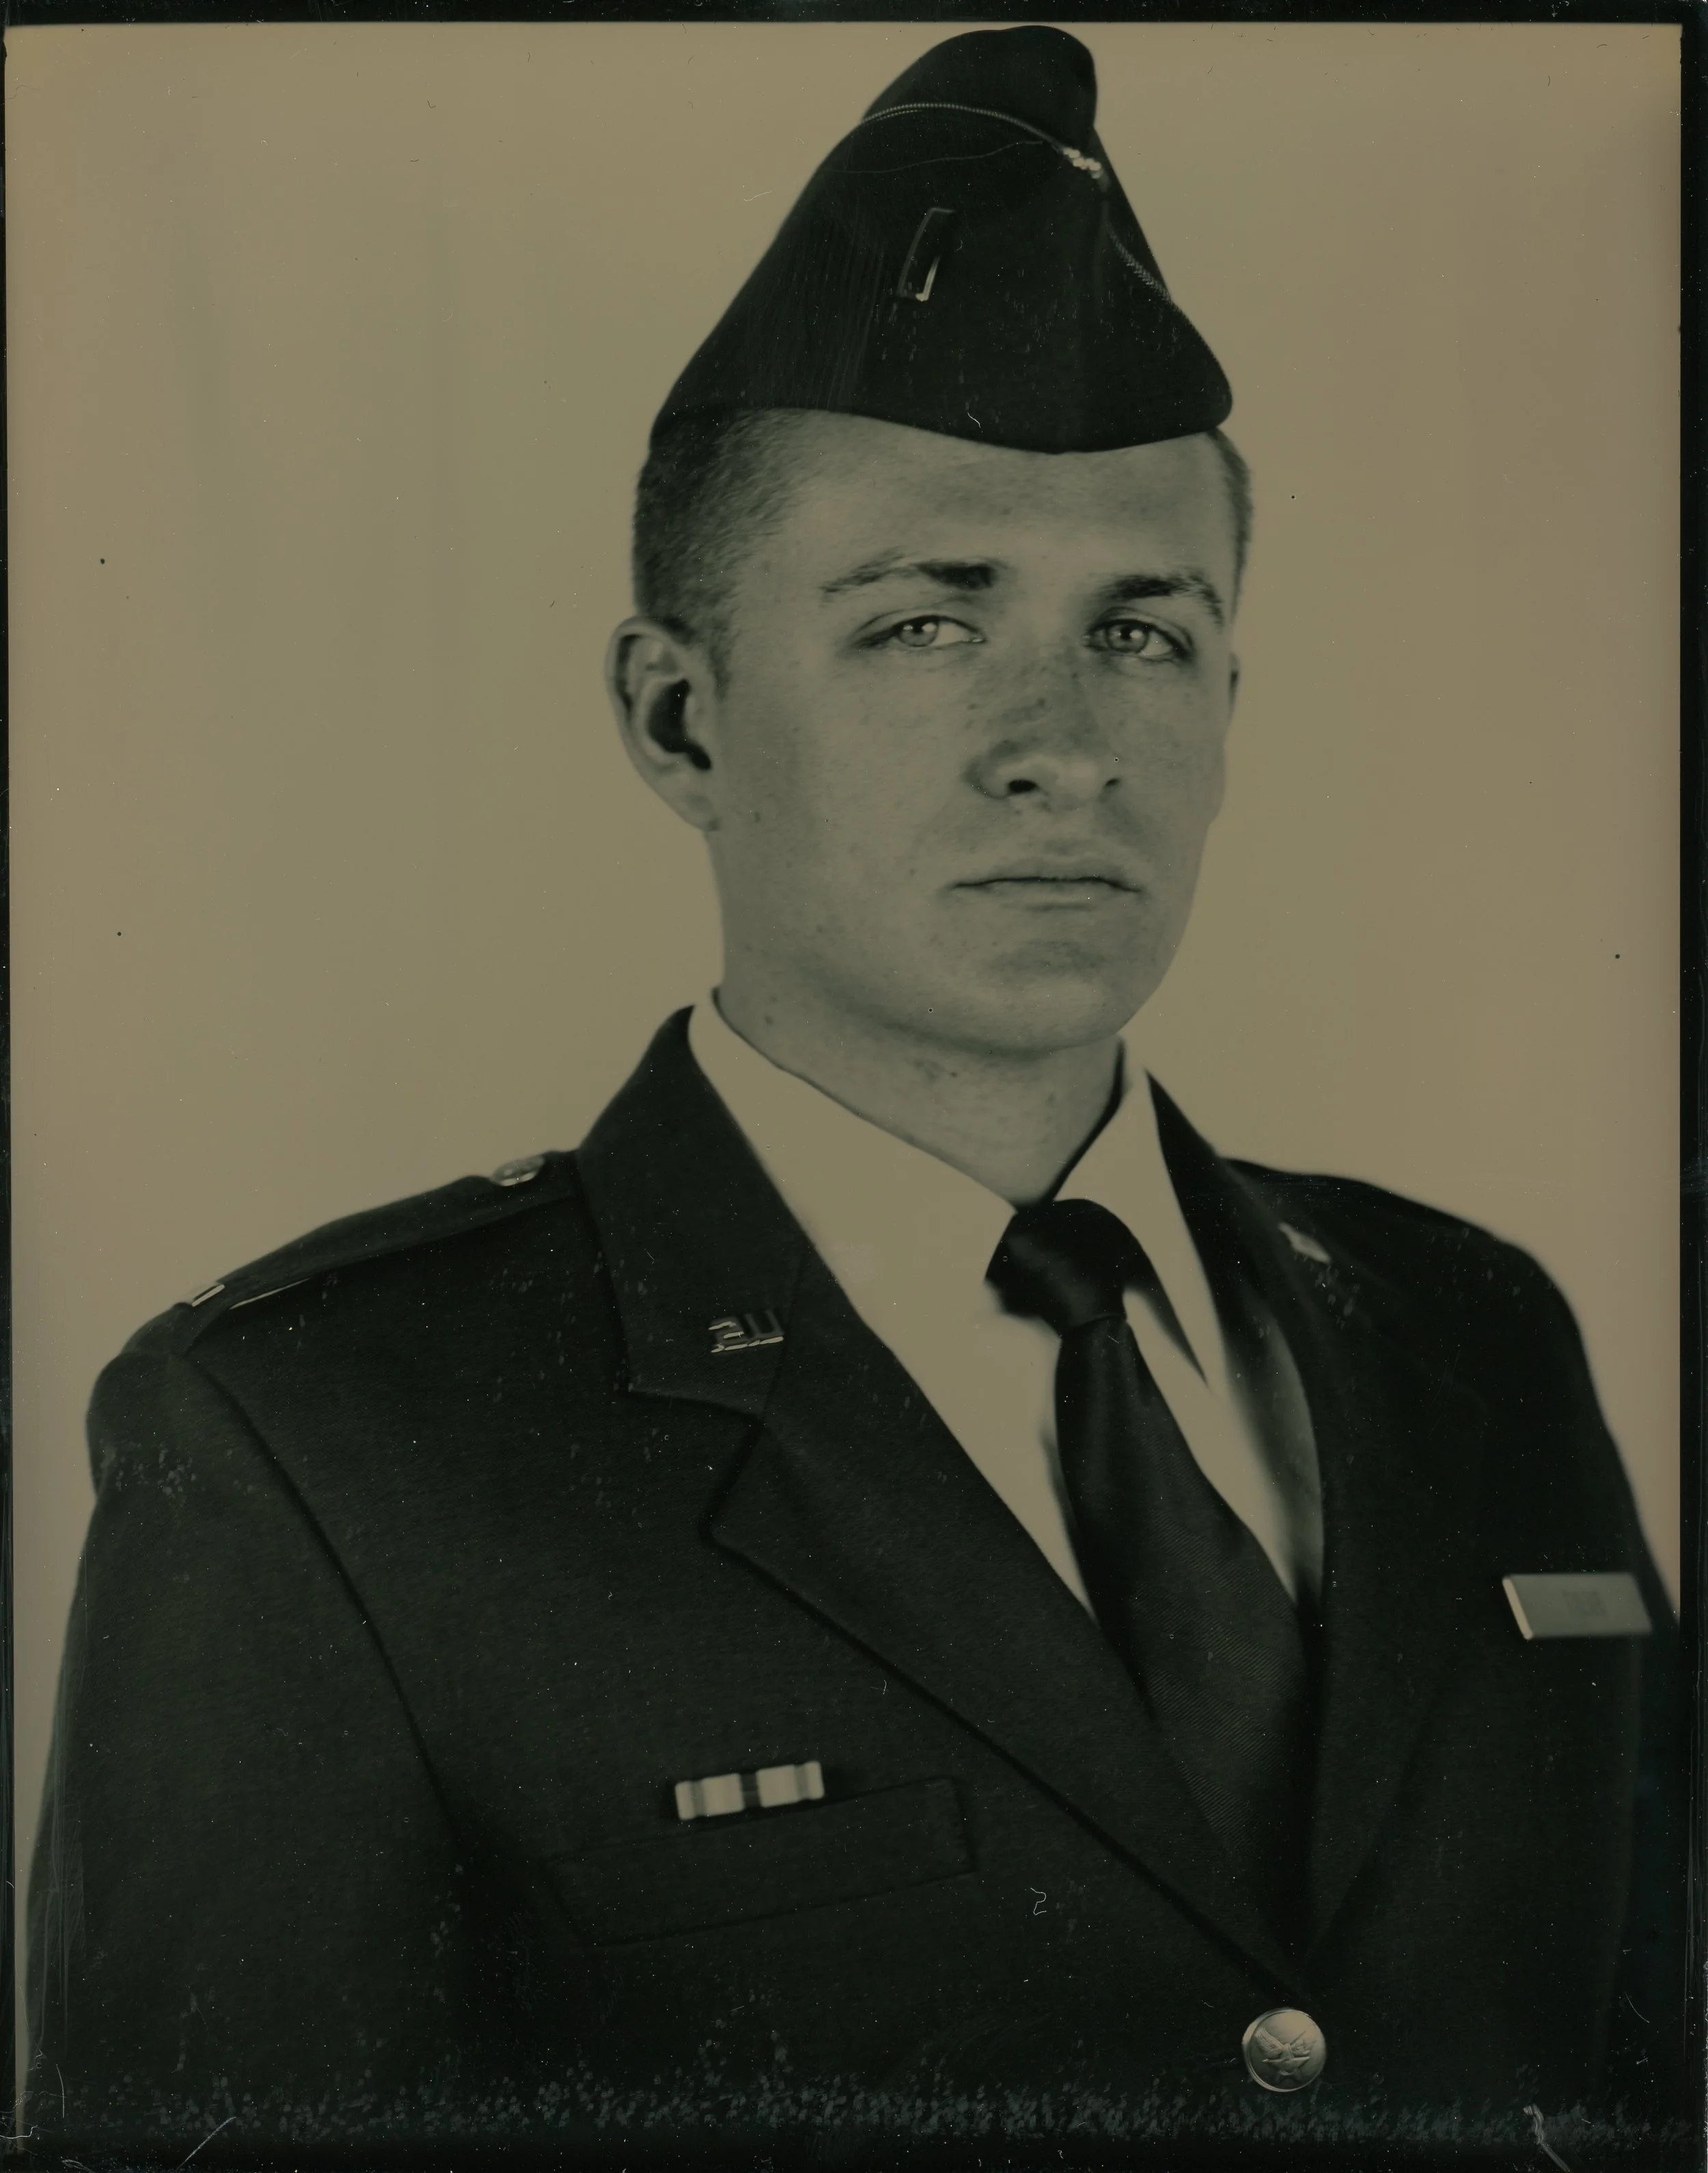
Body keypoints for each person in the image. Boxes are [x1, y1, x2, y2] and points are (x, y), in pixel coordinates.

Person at [28, 25, 1685, 2166]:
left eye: (1146, 633)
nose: (1063, 743)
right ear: (680, 715)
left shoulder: (1469, 1333)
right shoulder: (324, 1446)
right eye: (924, 622)